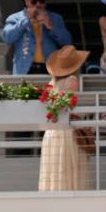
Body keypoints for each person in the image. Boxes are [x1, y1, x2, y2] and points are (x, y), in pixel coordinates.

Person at [38, 45, 92, 191]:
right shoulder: (72, 80)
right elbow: (74, 108)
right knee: (70, 171)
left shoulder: (51, 83)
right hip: (68, 133)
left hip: (52, 133)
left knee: (55, 173)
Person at [2, 0, 73, 75]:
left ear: (45, 2)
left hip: (50, 68)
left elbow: (67, 42)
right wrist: (26, 20)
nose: (38, 4)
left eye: (41, 1)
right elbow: (7, 38)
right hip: (24, 68)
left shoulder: (55, 18)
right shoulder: (15, 18)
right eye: (34, 1)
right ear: (27, 1)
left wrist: (51, 26)